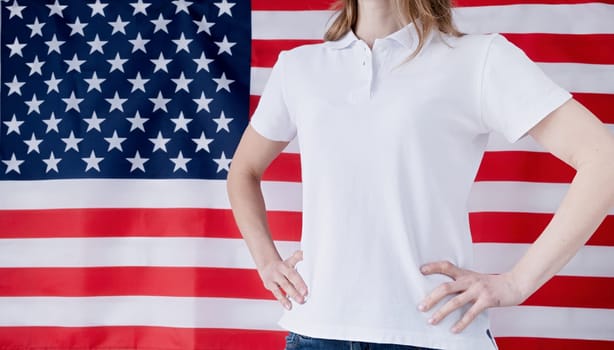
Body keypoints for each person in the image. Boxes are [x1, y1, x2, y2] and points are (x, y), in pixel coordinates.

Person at [226, 0, 614, 349]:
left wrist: (516, 282)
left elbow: (604, 159)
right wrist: (267, 262)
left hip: (434, 334)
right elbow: (243, 171)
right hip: (316, 331)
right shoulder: (299, 68)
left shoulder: (478, 59)